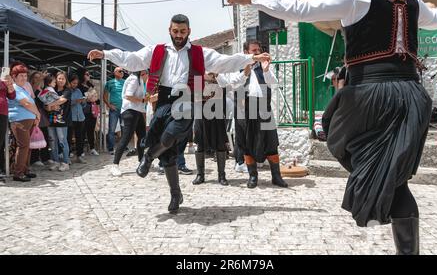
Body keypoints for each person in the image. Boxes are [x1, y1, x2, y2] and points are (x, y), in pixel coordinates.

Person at [227, 0, 437, 254]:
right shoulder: (412, 0)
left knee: (336, 134)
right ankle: (388, 219)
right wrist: (432, 10)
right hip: (411, 95)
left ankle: (372, 196)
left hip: (371, 95)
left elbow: (302, 9)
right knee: (396, 177)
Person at [88, 14, 270, 213]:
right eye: (175, 31)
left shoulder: (201, 53)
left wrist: (251, 58)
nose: (179, 35)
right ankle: (176, 194)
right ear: (170, 30)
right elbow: (133, 59)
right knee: (167, 152)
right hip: (164, 100)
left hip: (187, 99)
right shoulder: (156, 50)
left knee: (171, 134)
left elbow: (224, 62)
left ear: (189, 32)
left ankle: (148, 157)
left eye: (183, 31)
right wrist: (106, 54)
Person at [217, 40, 288, 189]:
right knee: (246, 144)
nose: (257, 52)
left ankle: (276, 176)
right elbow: (232, 84)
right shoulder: (237, 67)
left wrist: (267, 70)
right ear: (246, 52)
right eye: (253, 50)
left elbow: (274, 84)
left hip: (263, 107)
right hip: (244, 109)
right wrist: (245, 72)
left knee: (271, 142)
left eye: (258, 50)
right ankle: (253, 176)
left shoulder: (265, 66)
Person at [192, 72, 230, 186]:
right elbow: (195, 96)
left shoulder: (219, 73)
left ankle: (222, 175)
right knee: (200, 144)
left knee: (220, 144)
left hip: (217, 111)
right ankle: (200, 175)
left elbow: (225, 85)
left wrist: (215, 76)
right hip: (201, 112)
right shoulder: (197, 75)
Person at [110, 70, 149, 177]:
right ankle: (115, 165)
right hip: (130, 111)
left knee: (142, 137)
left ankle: (141, 162)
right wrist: (142, 100)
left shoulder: (139, 79)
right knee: (126, 138)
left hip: (137, 111)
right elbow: (128, 96)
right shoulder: (134, 79)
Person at [8, 63, 40, 182]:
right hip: (19, 121)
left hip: (27, 120)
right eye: (20, 75)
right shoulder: (15, 88)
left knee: (27, 146)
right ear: (14, 77)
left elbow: (31, 103)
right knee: (23, 146)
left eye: (25, 76)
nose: (23, 78)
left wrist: (36, 116)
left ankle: (25, 170)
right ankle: (18, 173)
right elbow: (26, 104)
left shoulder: (22, 89)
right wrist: (38, 114)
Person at [44, 72, 72, 171]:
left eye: (62, 79)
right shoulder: (52, 90)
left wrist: (50, 105)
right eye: (59, 78)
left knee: (62, 141)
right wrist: (49, 106)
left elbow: (62, 100)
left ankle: (65, 162)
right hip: (51, 120)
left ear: (66, 80)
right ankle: (55, 161)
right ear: (55, 79)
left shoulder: (67, 90)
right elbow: (46, 106)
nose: (60, 80)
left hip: (62, 121)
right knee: (52, 142)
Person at [77, 69, 100, 156]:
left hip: (92, 110)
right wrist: (87, 97)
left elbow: (97, 99)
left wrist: (96, 98)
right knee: (82, 131)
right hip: (83, 110)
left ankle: (92, 148)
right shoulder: (79, 87)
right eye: (86, 74)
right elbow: (81, 99)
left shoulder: (91, 85)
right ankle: (81, 150)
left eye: (89, 74)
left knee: (91, 130)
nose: (88, 75)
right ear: (82, 75)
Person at [104, 67, 125, 155]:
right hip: (115, 109)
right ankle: (111, 148)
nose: (122, 72)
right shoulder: (109, 82)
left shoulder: (125, 82)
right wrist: (109, 105)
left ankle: (123, 146)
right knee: (111, 129)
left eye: (123, 71)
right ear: (115, 72)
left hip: (124, 109)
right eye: (120, 71)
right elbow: (104, 95)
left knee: (124, 129)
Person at [68, 74, 87, 164]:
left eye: (76, 83)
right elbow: (66, 103)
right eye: (73, 83)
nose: (75, 85)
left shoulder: (79, 90)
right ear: (69, 82)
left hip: (81, 117)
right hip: (71, 117)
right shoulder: (67, 91)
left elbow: (83, 105)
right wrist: (75, 101)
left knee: (80, 138)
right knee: (69, 137)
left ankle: (79, 155)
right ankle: (67, 156)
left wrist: (83, 101)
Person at [0, 71, 16, 177]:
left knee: (1, 142)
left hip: (3, 112)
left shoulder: (4, 79)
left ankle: (1, 168)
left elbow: (12, 96)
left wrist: (10, 84)